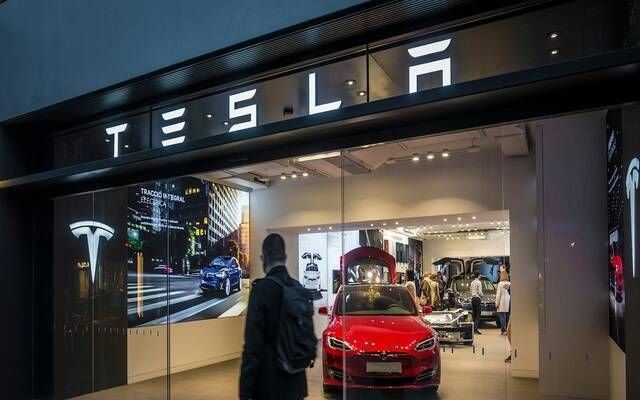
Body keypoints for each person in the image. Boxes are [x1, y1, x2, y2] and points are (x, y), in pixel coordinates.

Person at [239, 233, 308, 400]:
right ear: (285, 257)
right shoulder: (297, 288)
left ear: (264, 258)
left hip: (269, 384)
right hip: (296, 383)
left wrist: (245, 391)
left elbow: (252, 347)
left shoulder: (261, 290)